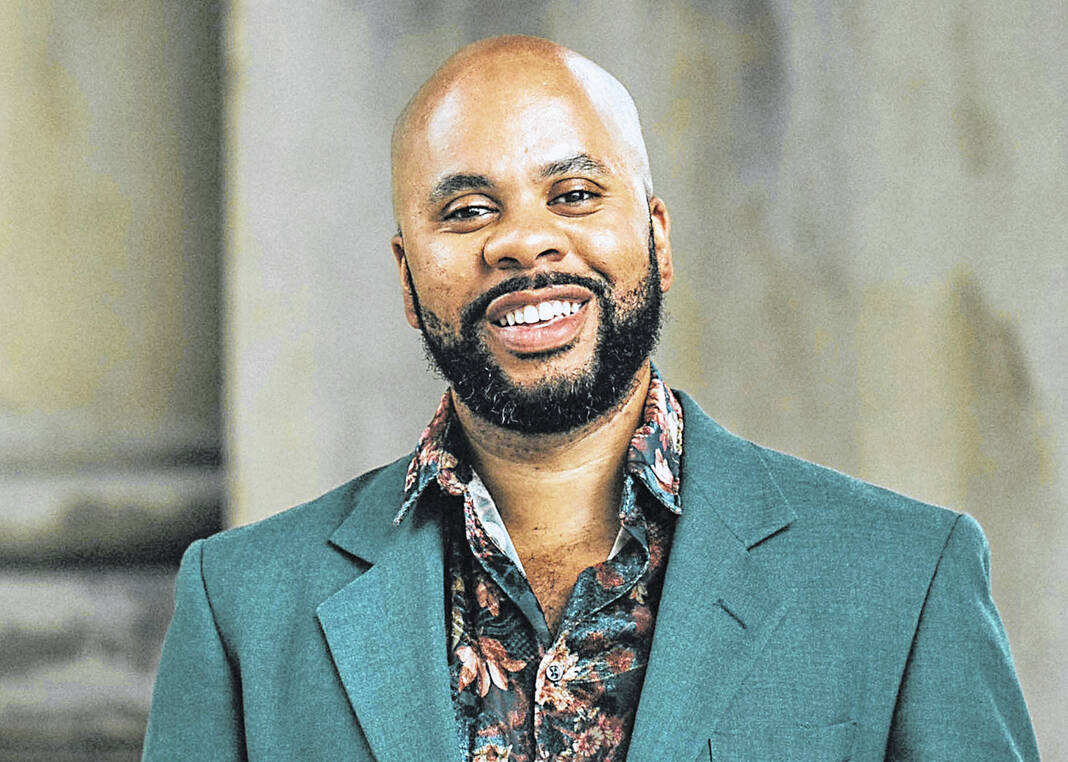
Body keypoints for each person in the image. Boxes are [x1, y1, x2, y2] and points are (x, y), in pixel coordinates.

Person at [142, 35, 1038, 761]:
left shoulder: (904, 578)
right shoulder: (243, 606)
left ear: (656, 236)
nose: (524, 240)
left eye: (574, 194)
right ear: (407, 275)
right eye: (468, 211)